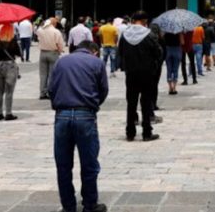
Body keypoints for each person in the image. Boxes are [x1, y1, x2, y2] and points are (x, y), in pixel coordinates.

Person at [48, 40, 108, 212]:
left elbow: (51, 88)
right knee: (89, 163)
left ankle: (68, 206)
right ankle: (90, 204)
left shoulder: (62, 61)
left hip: (62, 115)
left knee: (63, 165)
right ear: (94, 51)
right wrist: (93, 105)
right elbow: (103, 89)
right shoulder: (97, 62)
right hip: (85, 115)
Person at [118, 11, 162, 141]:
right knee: (146, 102)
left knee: (131, 102)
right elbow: (158, 53)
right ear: (144, 22)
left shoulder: (125, 35)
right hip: (147, 73)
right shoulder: (149, 35)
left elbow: (120, 52)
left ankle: (130, 132)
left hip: (131, 73)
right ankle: (146, 132)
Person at [0, 24, 21, 121]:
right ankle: (8, 113)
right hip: (9, 66)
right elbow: (19, 53)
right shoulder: (12, 41)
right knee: (9, 91)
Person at [37, 18, 65, 100]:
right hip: (53, 53)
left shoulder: (40, 30)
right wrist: (60, 50)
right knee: (51, 74)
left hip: (42, 53)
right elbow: (60, 43)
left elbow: (38, 38)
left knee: (43, 74)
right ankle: (50, 92)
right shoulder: (56, 31)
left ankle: (42, 93)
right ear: (54, 23)